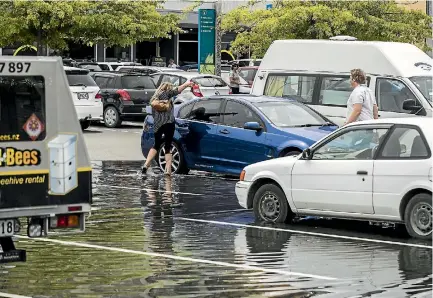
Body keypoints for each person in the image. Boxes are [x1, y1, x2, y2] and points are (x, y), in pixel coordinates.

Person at [141, 80, 194, 175]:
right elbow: (178, 89)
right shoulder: (167, 94)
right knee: (168, 146)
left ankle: (146, 165)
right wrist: (187, 84)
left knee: (156, 145)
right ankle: (168, 170)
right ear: (168, 88)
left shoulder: (154, 98)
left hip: (158, 124)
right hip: (169, 123)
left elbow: (153, 113)